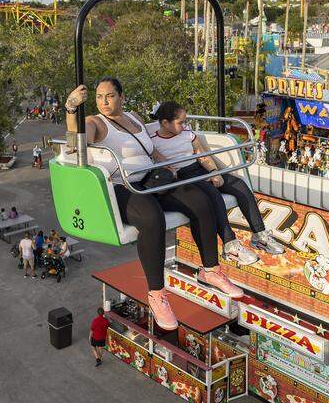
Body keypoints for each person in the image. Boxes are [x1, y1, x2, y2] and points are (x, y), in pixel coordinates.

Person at [64, 79, 241, 332]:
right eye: (99, 96)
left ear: (122, 97)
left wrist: (165, 164)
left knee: (199, 201)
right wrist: (72, 109)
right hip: (123, 186)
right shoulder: (95, 122)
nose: (104, 101)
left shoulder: (134, 118)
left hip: (152, 178)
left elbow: (149, 148)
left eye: (110, 96)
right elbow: (76, 143)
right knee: (152, 217)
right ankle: (157, 294)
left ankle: (210, 269)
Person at [148, 101, 285, 265]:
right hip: (182, 177)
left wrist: (214, 172)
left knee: (239, 185)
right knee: (213, 194)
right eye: (180, 122)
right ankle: (230, 244)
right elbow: (163, 165)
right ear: (165, 123)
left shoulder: (187, 133)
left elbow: (202, 155)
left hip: (199, 168)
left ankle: (259, 234)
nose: (184, 125)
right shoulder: (153, 141)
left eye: (185, 122)